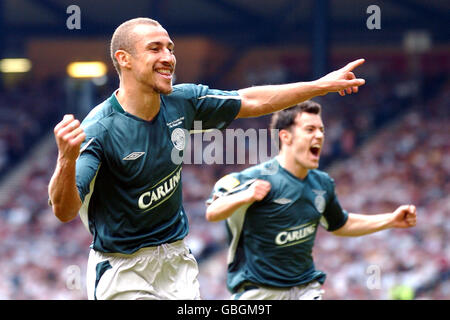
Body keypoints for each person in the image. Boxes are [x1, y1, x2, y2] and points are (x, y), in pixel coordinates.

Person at [48, 17, 365, 300]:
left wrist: (320, 86)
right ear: (124, 59)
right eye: (155, 49)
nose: (168, 57)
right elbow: (64, 210)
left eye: (170, 49)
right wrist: (66, 160)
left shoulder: (182, 101)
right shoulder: (98, 130)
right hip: (123, 270)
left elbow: (251, 100)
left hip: (177, 262)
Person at [205, 100, 417, 300]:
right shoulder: (250, 180)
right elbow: (213, 212)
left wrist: (390, 220)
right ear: (285, 137)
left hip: (305, 289)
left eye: (321, 130)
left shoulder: (322, 183)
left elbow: (341, 223)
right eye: (310, 129)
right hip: (258, 293)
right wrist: (246, 195)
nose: (319, 136)